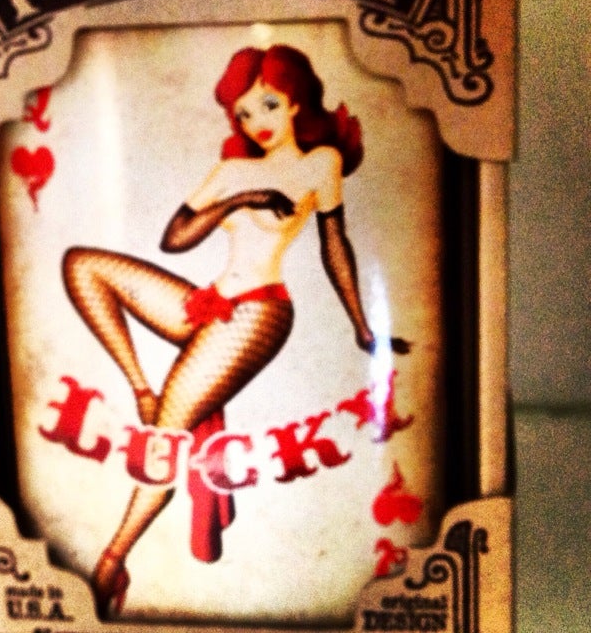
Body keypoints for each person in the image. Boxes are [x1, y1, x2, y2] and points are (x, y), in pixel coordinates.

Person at [62, 44, 409, 618]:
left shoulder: (320, 164)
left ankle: (110, 565)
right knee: (83, 267)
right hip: (210, 303)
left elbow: (335, 245)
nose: (257, 122)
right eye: (244, 113)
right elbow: (174, 239)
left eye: (268, 105)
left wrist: (363, 328)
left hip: (259, 313)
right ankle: (141, 387)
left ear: (295, 102)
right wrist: (240, 199)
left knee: (165, 438)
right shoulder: (234, 172)